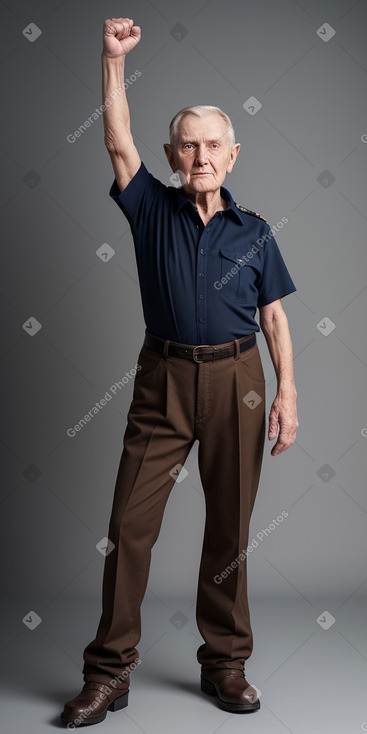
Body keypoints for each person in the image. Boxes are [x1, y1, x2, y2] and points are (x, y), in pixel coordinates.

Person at [61, 16, 299, 727]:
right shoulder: (149, 210)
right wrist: (111, 61)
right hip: (162, 381)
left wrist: (287, 392)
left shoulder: (254, 231)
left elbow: (276, 320)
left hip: (239, 383)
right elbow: (114, 139)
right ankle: (108, 673)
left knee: (229, 530)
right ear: (172, 153)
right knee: (130, 526)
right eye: (188, 145)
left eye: (212, 146)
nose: (200, 156)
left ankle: (224, 664)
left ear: (232, 155)